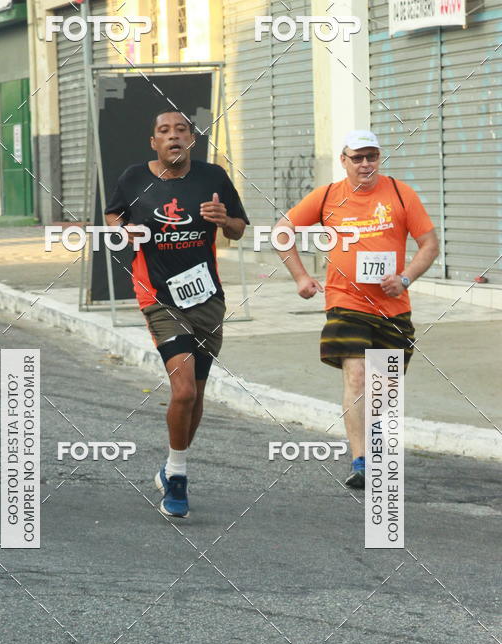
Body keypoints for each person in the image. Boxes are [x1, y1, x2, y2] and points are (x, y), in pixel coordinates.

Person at [273, 129, 439, 488]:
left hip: (393, 306)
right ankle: (361, 460)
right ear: (344, 160)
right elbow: (282, 231)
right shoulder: (329, 196)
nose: (366, 164)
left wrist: (406, 278)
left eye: (372, 156)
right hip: (346, 303)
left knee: (384, 388)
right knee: (358, 376)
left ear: (379, 158)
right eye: (358, 157)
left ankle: (379, 454)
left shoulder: (399, 193)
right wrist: (301, 277)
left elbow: (429, 244)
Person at [105, 110, 248, 516]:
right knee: (182, 390)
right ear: (154, 142)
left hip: (206, 298)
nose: (173, 137)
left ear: (191, 139)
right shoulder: (135, 178)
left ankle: (171, 466)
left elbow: (239, 227)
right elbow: (114, 214)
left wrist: (226, 221)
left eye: (180, 130)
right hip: (160, 298)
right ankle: (180, 477)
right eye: (164, 132)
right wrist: (123, 231)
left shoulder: (213, 177)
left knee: (197, 394)